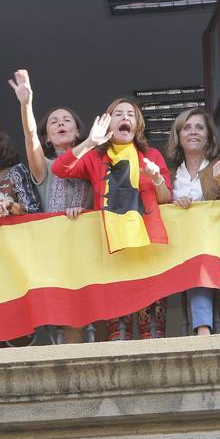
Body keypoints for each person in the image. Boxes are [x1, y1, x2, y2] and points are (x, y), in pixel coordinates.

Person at [52, 97, 172, 340]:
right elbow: (59, 169)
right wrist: (89, 142)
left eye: (130, 114)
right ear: (109, 124)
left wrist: (156, 177)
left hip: (148, 248)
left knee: (153, 332)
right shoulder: (96, 157)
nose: (125, 118)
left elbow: (165, 198)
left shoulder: (151, 155)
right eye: (118, 114)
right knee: (118, 332)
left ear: (138, 125)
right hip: (111, 251)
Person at [8, 68, 92, 343]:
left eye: (66, 120)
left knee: (82, 315)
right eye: (53, 122)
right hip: (51, 251)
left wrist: (85, 213)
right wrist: (26, 103)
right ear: (47, 137)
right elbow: (30, 136)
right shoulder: (44, 167)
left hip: (85, 248)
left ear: (78, 131)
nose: (60, 123)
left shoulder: (94, 162)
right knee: (63, 317)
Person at [165, 107, 220, 336]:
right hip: (174, 246)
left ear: (208, 135)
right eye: (186, 128)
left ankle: (203, 329)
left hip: (210, 244)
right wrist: (174, 205)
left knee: (199, 264)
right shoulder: (168, 174)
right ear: (178, 136)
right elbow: (156, 204)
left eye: (199, 127)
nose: (193, 132)